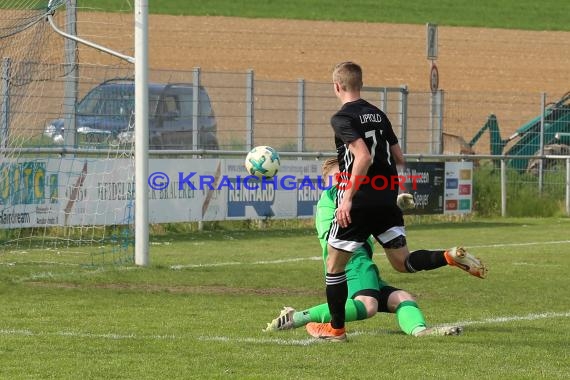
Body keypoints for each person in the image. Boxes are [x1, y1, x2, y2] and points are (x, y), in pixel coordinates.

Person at [307, 62, 486, 342]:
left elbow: (363, 157)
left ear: (337, 86)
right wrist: (388, 189)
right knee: (403, 263)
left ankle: (336, 330)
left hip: (360, 202)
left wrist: (348, 199)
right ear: (360, 84)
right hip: (387, 200)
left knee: (334, 266)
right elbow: (399, 158)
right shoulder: (379, 115)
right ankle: (447, 256)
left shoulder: (342, 118)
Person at [264, 158, 463, 337]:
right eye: (337, 177)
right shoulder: (333, 196)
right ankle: (298, 318)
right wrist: (391, 202)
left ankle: (421, 331)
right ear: (327, 183)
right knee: (368, 306)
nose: (342, 180)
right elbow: (363, 212)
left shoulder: (344, 204)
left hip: (356, 262)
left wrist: (392, 207)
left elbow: (370, 224)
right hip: (353, 261)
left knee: (402, 298)